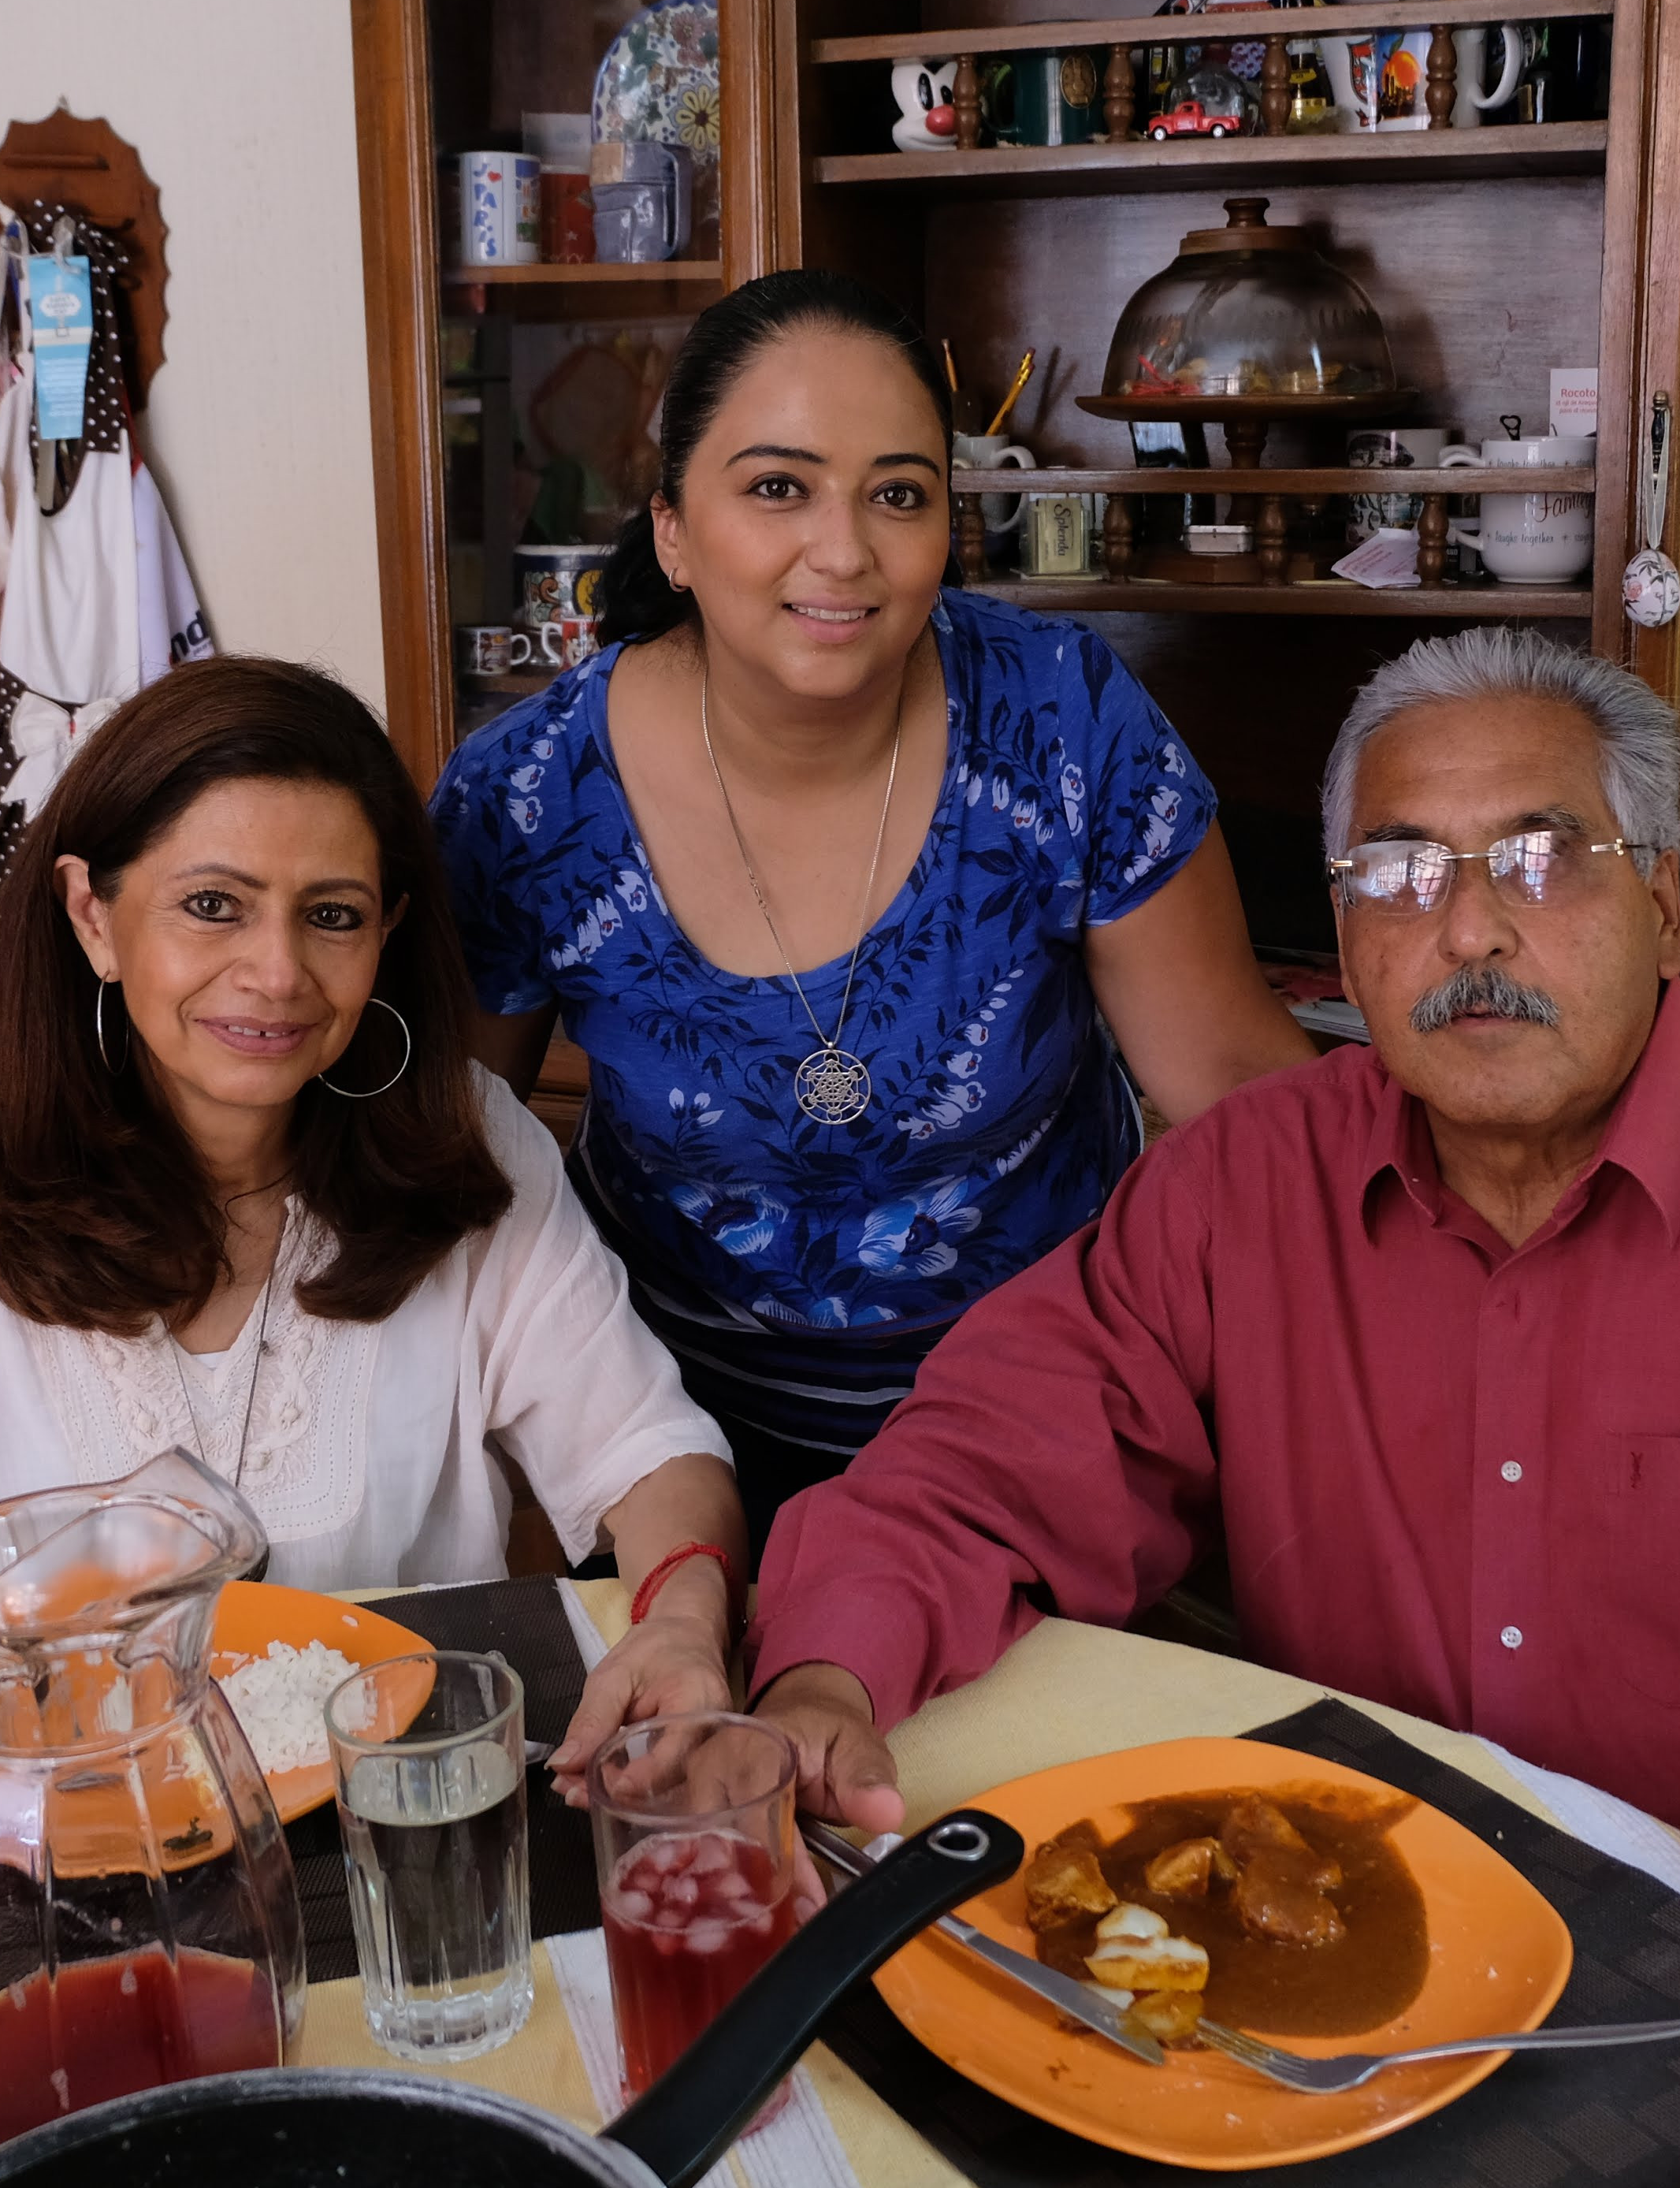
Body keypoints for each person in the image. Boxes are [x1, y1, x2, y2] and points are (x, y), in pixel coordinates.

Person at [748, 628, 1680, 2188]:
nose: (1464, 926)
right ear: (1339, 926)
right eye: (1394, 869)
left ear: (1661, 898)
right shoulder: (1245, 1186)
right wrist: (823, 1667)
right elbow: (988, 1458)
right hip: (1362, 1982)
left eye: (1537, 855)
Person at [0, 658, 742, 1948]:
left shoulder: (473, 1150)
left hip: (387, 1867)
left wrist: (684, 1614)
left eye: (333, 914)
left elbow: (649, 1452)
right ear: (90, 914)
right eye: (212, 905)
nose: (278, 971)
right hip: (21, 1898)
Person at [433, 271, 1314, 1535]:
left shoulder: (1057, 716)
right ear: (672, 526)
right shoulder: (528, 796)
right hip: (676, 1455)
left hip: (1046, 1424)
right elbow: (446, 1144)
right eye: (777, 487)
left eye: (898, 493)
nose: (843, 551)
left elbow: (1235, 1086)